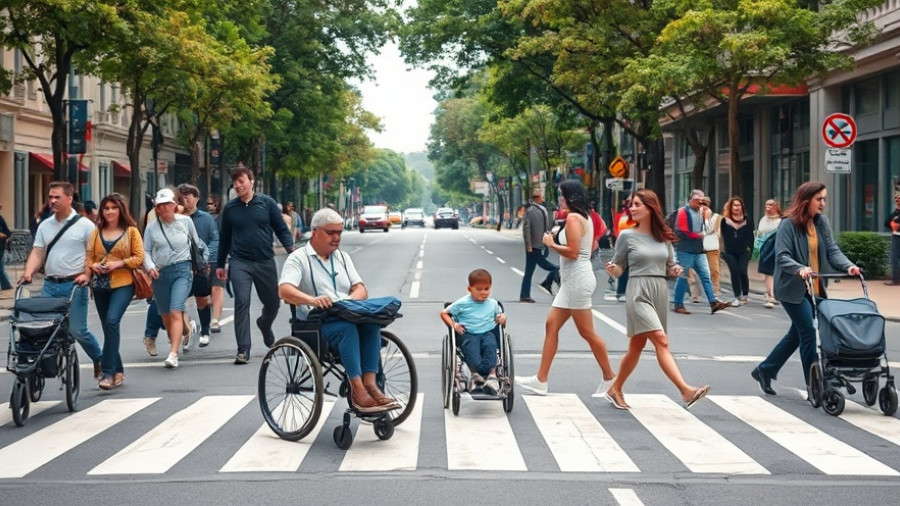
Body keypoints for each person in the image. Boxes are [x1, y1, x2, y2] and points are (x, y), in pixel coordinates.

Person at [278, 208, 399, 413]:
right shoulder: (298, 258)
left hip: (345, 312)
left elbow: (360, 288)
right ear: (315, 232)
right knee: (347, 329)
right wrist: (313, 300)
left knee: (370, 324)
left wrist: (349, 300)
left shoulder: (343, 257)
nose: (336, 238)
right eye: (331, 232)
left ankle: (371, 385)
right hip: (316, 322)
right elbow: (285, 290)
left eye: (339, 233)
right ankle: (358, 391)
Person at [603, 189, 711, 410]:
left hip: (659, 290)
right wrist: (612, 270)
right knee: (661, 340)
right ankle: (685, 390)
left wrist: (676, 269)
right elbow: (619, 268)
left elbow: (671, 264)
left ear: (650, 208)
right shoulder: (626, 236)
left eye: (637, 205)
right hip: (638, 291)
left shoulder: (663, 237)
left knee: (636, 347)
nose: (632, 208)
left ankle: (615, 388)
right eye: (631, 205)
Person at [751, 182, 860, 396]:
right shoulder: (788, 224)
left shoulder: (821, 222)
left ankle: (765, 370)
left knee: (798, 333)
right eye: (819, 199)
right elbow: (782, 256)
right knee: (808, 331)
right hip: (792, 289)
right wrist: (799, 268)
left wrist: (849, 266)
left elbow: (832, 250)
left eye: (824, 199)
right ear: (806, 200)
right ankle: (814, 385)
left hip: (816, 287)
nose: (823, 204)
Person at [516, 180, 616, 396]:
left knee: (587, 332)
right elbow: (585, 249)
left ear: (571, 196)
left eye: (562, 195)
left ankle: (610, 378)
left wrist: (551, 244)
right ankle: (541, 380)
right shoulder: (585, 217)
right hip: (573, 280)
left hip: (577, 279)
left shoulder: (573, 218)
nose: (559, 199)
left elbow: (573, 252)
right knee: (551, 325)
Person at [20, 181, 103, 378]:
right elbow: (38, 252)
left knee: (77, 330)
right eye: (50, 197)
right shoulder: (45, 226)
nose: (52, 201)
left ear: (69, 199)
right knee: (41, 329)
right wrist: (28, 272)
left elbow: (92, 256)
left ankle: (99, 358)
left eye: (57, 197)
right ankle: (41, 367)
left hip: (75, 285)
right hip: (50, 285)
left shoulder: (85, 226)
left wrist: (86, 275)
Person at [217, 167, 294, 364]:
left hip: (264, 261)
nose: (237, 186)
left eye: (241, 181)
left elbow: (281, 228)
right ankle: (243, 350)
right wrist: (220, 264)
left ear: (251, 181)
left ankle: (264, 324)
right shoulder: (231, 209)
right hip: (240, 261)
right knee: (241, 301)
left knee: (273, 303)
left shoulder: (266, 204)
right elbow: (224, 238)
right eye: (235, 183)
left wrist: (291, 250)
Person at [143, 188, 206, 369]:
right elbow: (146, 251)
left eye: (167, 205)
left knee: (175, 310)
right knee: (166, 317)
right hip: (160, 274)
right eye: (160, 206)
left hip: (182, 271)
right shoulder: (151, 228)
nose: (164, 209)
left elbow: (196, 244)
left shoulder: (186, 222)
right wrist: (150, 267)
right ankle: (186, 329)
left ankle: (173, 353)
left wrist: (201, 262)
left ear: (174, 205)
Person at [87, 194, 144, 390]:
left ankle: (107, 372)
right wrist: (94, 266)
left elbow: (139, 257)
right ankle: (118, 370)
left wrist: (118, 264)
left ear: (121, 210)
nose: (109, 211)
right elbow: (89, 256)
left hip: (123, 284)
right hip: (100, 285)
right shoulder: (96, 232)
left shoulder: (131, 231)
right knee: (108, 327)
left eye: (113, 207)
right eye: (106, 208)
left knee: (112, 320)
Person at [441, 269, 507, 395]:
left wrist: (503, 318)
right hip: (468, 334)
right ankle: (475, 376)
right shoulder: (462, 303)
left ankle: (492, 377)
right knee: (473, 353)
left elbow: (501, 320)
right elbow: (444, 313)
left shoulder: (493, 304)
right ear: (470, 289)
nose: (484, 292)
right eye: (479, 289)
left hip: (487, 332)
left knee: (491, 345)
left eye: (487, 289)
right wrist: (453, 324)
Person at [671, 190, 731, 315]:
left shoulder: (702, 211)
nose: (700, 202)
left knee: (705, 276)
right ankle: (678, 304)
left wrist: (706, 217)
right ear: (691, 200)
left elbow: (708, 227)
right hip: (685, 250)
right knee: (683, 277)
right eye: (698, 200)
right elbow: (680, 230)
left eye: (702, 199)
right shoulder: (683, 211)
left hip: (698, 250)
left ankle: (713, 302)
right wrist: (696, 235)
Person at [177, 184, 219, 347]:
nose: (185, 199)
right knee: (177, 301)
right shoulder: (174, 218)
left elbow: (214, 239)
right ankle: (186, 328)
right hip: (180, 266)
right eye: (182, 196)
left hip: (200, 266)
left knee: (202, 299)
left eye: (188, 196)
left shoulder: (206, 219)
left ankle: (205, 330)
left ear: (196, 199)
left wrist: (208, 259)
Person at [519, 187, 559, 302]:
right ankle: (546, 283)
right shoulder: (531, 211)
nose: (543, 197)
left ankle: (525, 294)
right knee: (551, 267)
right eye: (541, 195)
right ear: (538, 197)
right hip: (534, 246)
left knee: (529, 271)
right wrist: (529, 245)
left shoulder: (542, 209)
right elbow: (526, 229)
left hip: (540, 244)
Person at [720, 196, 755, 306]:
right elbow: (722, 237)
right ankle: (737, 296)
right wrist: (722, 251)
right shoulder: (724, 221)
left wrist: (750, 250)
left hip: (743, 251)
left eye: (738, 205)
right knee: (734, 271)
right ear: (730, 207)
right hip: (730, 251)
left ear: (742, 207)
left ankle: (745, 294)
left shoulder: (748, 220)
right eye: (734, 205)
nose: (736, 207)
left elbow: (751, 236)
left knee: (742, 270)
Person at [689, 196, 722, 303]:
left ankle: (715, 293)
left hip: (711, 247)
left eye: (705, 204)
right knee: (694, 272)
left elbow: (714, 231)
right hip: (697, 247)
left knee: (714, 270)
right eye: (701, 204)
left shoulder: (717, 217)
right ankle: (695, 294)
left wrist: (707, 219)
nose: (703, 206)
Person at [206, 194, 227, 333]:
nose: (209, 206)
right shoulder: (198, 218)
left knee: (217, 289)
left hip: (219, 259)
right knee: (204, 296)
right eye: (207, 203)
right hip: (201, 262)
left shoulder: (223, 219)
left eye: (212, 203)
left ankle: (215, 320)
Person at [757, 199, 783, 307]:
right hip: (766, 248)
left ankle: (776, 294)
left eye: (771, 205)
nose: (768, 207)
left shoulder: (781, 220)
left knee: (777, 272)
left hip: (778, 248)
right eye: (767, 204)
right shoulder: (764, 219)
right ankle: (770, 296)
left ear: (776, 206)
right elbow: (761, 231)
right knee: (768, 273)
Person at [613, 199, 636, 301]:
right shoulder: (626, 216)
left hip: (629, 245)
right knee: (625, 269)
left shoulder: (624, 215)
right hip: (627, 246)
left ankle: (623, 292)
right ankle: (622, 292)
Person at [884, 192, 900, 286]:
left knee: (895, 258)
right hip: (896, 236)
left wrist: (896, 225)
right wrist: (896, 210)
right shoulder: (896, 212)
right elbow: (886, 222)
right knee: (894, 259)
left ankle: (895, 280)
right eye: (896, 199)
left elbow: (897, 223)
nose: (897, 201)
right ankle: (895, 279)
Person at [0, 203, 12, 292]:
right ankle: (6, 285)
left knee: (1, 266)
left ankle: (6, 285)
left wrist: (6, 237)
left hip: (1, 246)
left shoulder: (0, 218)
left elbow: (7, 232)